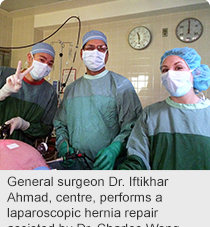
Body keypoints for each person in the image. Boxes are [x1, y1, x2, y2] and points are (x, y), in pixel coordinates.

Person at [53, 30, 142, 170]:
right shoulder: (71, 89)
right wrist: (63, 143)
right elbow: (60, 123)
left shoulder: (121, 85)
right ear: (82, 54)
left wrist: (115, 149)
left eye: (101, 48)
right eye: (90, 48)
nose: (96, 52)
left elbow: (133, 125)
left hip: (108, 166)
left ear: (107, 55)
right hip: (75, 165)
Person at [119, 47, 210, 170]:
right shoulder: (151, 114)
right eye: (165, 70)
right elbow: (137, 158)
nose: (170, 74)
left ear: (196, 73)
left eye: (178, 68)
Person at [0, 42, 58, 146]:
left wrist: (25, 125)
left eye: (50, 63)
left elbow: (46, 129)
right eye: (41, 60)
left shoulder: (49, 93)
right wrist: (3, 92)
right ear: (29, 57)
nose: (45, 66)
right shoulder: (3, 74)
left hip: (23, 150)